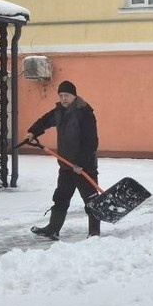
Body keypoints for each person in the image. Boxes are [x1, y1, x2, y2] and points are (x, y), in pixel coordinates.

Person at [27, 80, 100, 240]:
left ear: (74, 95)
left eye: (66, 95)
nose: (63, 98)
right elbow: (45, 121)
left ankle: (94, 233)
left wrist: (80, 163)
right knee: (61, 196)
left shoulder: (85, 112)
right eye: (60, 95)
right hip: (66, 165)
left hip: (83, 166)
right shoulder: (59, 111)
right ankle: (53, 229)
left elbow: (91, 141)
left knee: (90, 199)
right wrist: (32, 132)